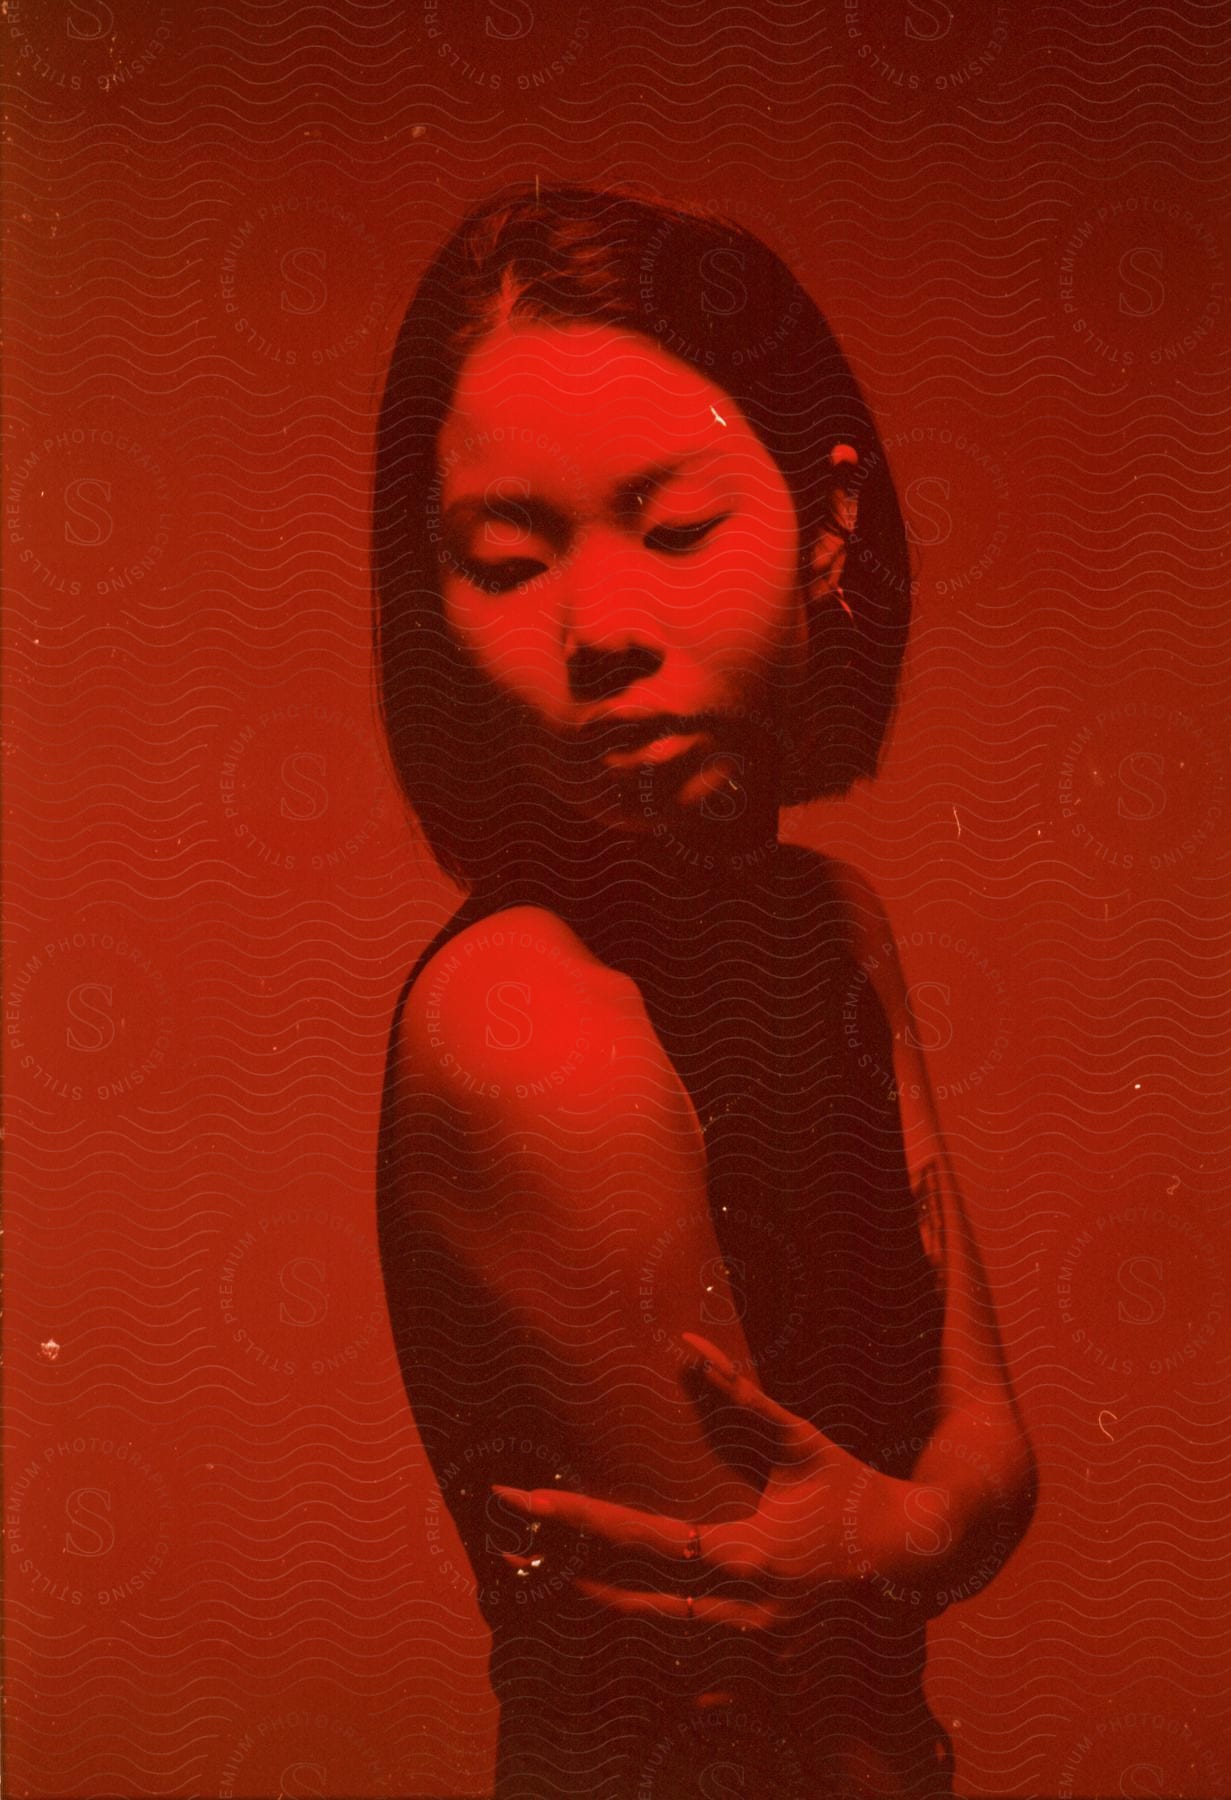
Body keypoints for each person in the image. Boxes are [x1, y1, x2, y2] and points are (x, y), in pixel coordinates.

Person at [372, 183, 1036, 1799]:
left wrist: (904, 1532)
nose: (603, 629)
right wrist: (909, 1544)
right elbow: (770, 1700)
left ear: (829, 524)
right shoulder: (526, 1026)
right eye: (510, 561)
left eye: (673, 532)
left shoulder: (829, 919)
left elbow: (991, 1464)